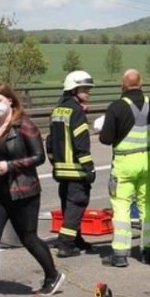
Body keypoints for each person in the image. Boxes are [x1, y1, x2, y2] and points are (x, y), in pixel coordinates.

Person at [0, 84, 63, 297]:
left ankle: (52, 274)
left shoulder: (23, 125)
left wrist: (10, 166)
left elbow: (39, 157)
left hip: (22, 191)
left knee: (28, 237)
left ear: (10, 100)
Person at [97, 69, 150, 267]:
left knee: (121, 205)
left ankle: (120, 254)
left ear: (122, 85)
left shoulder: (116, 107)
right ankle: (149, 250)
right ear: (141, 84)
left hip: (124, 165)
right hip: (149, 162)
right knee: (147, 205)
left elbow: (105, 138)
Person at [47, 70, 96, 259]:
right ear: (74, 89)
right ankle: (66, 244)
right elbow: (81, 143)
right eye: (85, 89)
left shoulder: (57, 109)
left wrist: (54, 161)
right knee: (77, 204)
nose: (88, 92)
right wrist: (89, 167)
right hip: (76, 169)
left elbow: (50, 141)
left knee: (68, 206)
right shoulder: (76, 112)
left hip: (61, 168)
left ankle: (76, 239)